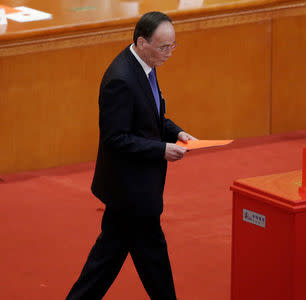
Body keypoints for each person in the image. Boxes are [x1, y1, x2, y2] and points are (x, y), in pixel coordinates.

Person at [66, 11, 195, 300]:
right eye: (164, 47)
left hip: (133, 191)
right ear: (141, 42)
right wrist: (161, 149)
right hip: (130, 189)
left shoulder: (146, 63)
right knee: (148, 258)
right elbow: (116, 138)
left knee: (109, 260)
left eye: (173, 46)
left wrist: (176, 133)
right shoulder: (121, 79)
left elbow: (152, 115)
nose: (169, 53)